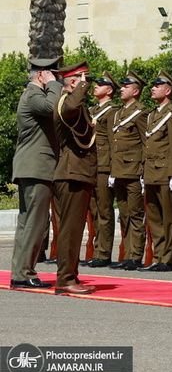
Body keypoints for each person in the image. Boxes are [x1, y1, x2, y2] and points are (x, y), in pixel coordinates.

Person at [9, 56, 62, 289]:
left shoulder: (32, 94)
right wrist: (54, 85)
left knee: (27, 222)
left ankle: (20, 272)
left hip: (32, 167)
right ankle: (24, 273)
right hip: (36, 167)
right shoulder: (33, 95)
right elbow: (53, 107)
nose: (56, 77)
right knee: (36, 223)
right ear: (42, 74)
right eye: (52, 73)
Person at [53, 61, 98, 295]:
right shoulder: (66, 102)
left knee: (73, 229)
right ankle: (65, 279)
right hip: (72, 173)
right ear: (73, 81)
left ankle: (70, 275)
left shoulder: (73, 103)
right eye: (84, 80)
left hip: (77, 173)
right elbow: (71, 108)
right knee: (70, 230)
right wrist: (80, 87)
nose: (87, 85)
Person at [140, 70, 172, 272]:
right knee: (155, 218)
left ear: (168, 90)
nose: (153, 88)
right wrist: (143, 172)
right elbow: (147, 145)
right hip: (151, 171)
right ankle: (158, 256)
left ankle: (169, 258)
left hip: (166, 172)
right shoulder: (152, 115)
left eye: (157, 86)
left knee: (169, 218)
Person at [109, 70, 148, 271]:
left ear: (136, 91)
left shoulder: (141, 112)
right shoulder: (118, 113)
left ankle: (135, 255)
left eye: (126, 86)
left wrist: (143, 172)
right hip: (119, 171)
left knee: (135, 214)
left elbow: (145, 142)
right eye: (122, 86)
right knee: (123, 214)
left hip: (133, 170)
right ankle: (127, 254)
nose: (122, 89)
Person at [85, 71, 120, 268]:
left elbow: (114, 142)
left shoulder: (112, 111)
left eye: (100, 84)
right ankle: (97, 249)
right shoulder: (91, 110)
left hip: (104, 165)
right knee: (94, 211)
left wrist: (113, 169)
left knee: (105, 210)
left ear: (109, 90)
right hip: (91, 165)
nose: (95, 86)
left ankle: (104, 253)